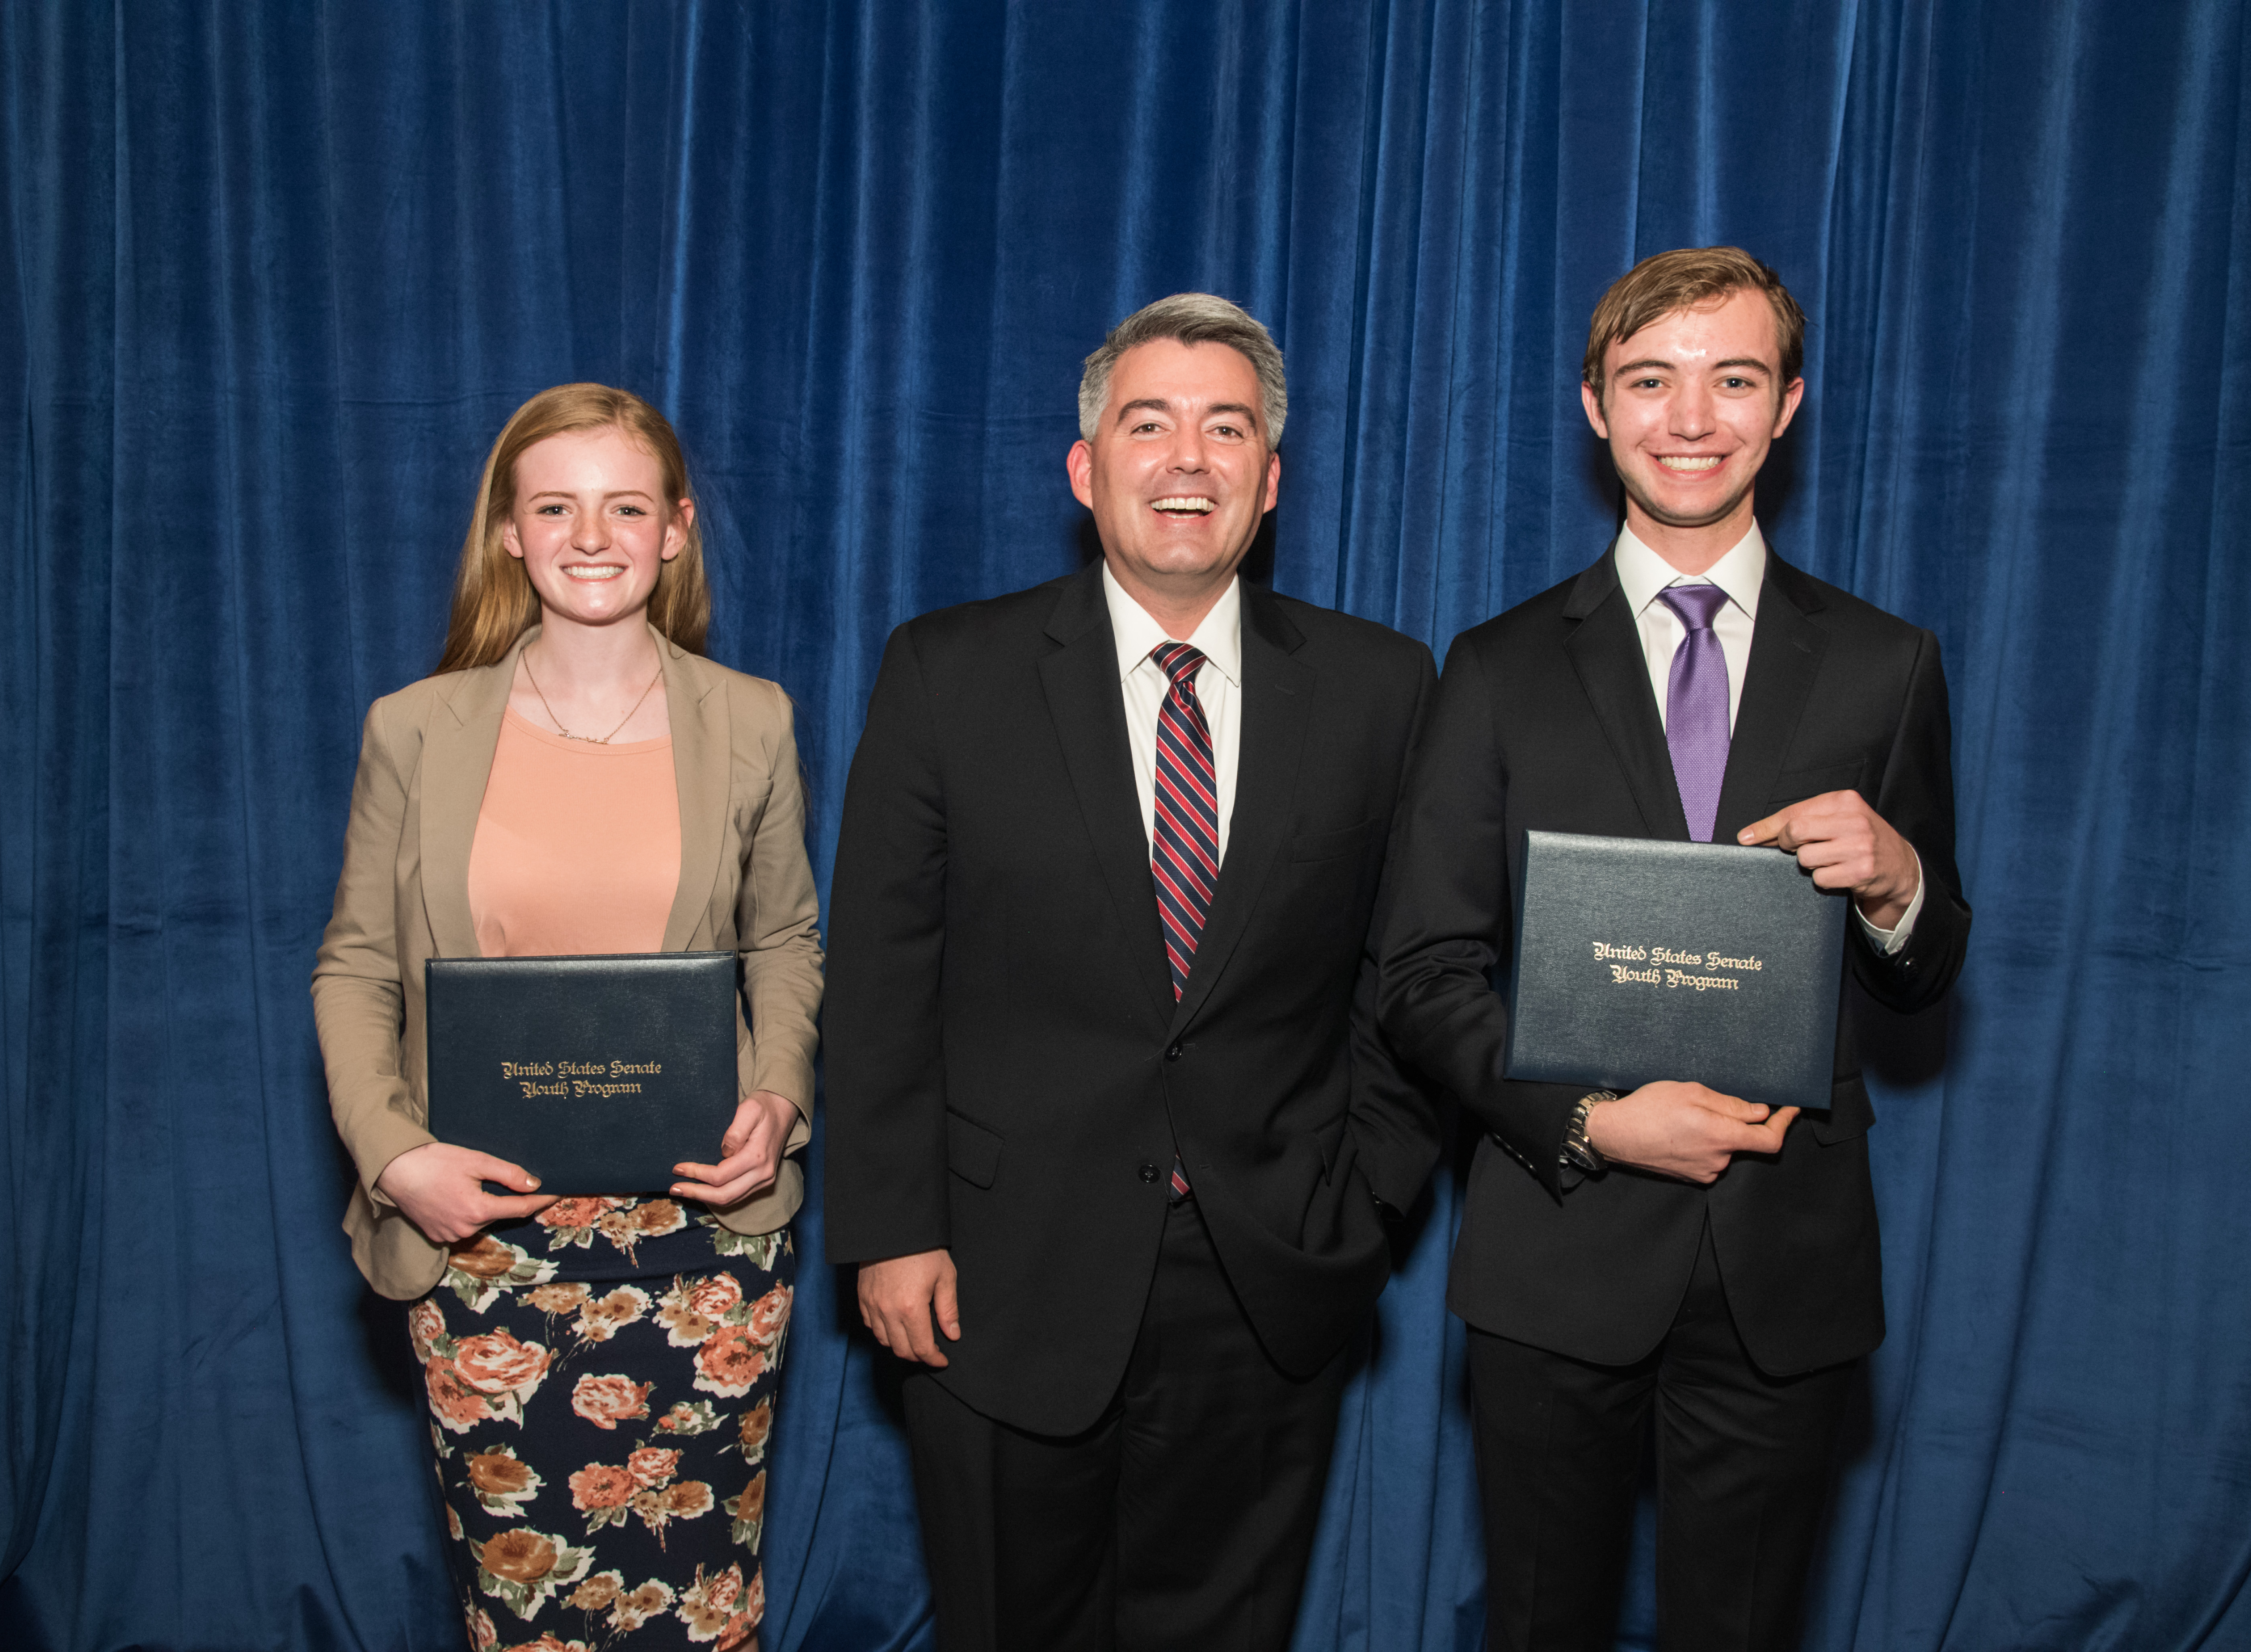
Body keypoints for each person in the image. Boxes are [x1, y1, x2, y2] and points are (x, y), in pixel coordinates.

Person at [823, 293, 1438, 1650]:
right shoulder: (947, 672)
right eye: (1147, 423)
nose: (1187, 459)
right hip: (992, 1276)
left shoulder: (1383, 689)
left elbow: (1410, 979)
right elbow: (879, 977)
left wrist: (1366, 1205)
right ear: (1085, 465)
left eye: (1228, 430)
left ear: (1271, 484)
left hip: (1269, 1279)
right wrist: (888, 1226)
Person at [1376, 247, 1970, 1651]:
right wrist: (1589, 1119)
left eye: (1733, 378)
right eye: (1652, 379)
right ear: (1596, 405)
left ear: (1789, 404)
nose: (1690, 415)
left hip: (1787, 1266)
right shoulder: (1499, 667)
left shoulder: (1889, 664)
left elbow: (1930, 967)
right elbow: (1420, 977)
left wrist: (1899, 884)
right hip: (1558, 1247)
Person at [312, 384, 823, 1652]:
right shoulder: (414, 730)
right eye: (556, 506)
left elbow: (785, 944)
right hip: (485, 1252)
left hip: (704, 1251)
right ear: (509, 533)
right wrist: (394, 1155)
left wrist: (780, 1097)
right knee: (525, 1609)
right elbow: (357, 964)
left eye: (626, 506)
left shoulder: (752, 719)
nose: (591, 536)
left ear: (677, 530)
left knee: (699, 1608)